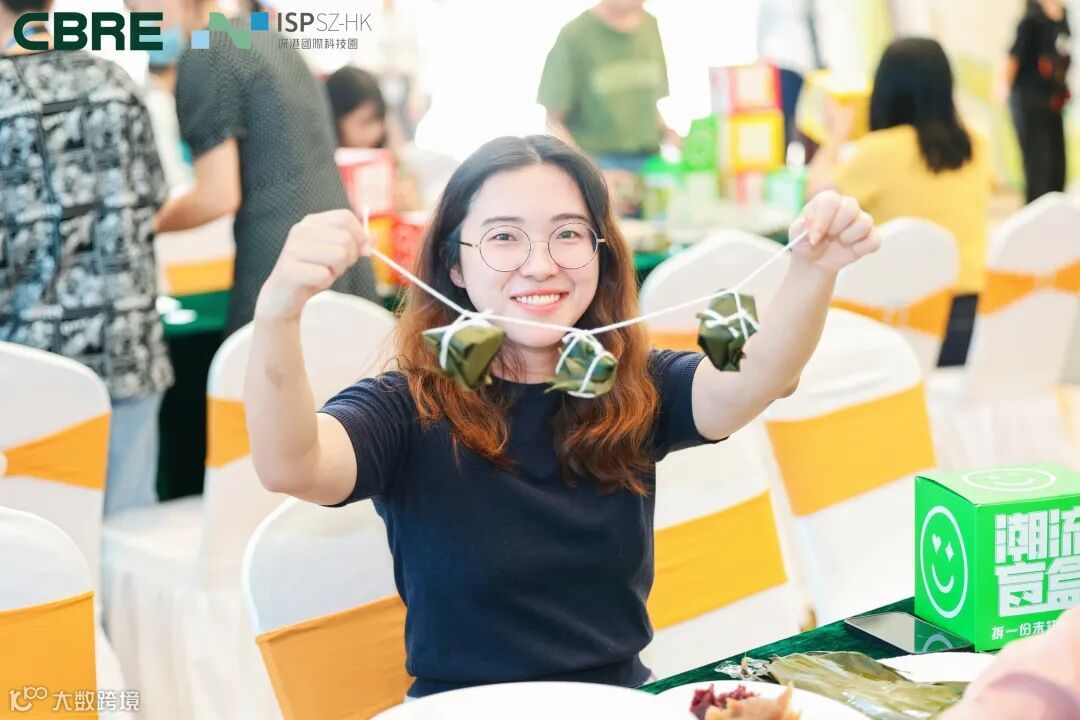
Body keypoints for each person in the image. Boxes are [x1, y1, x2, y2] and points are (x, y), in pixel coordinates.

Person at [243, 134, 881, 698]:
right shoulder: (410, 406)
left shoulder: (633, 388)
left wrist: (813, 268)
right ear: (454, 263)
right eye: (504, 237)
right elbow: (291, 464)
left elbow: (757, 377)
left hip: (618, 703)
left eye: (568, 234)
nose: (541, 264)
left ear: (601, 254)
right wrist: (278, 312)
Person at [0, 0, 173, 515]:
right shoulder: (114, 80)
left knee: (41, 540)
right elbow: (155, 194)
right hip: (128, 347)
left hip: (34, 362)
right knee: (130, 531)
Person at [125, 0, 381, 336]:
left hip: (281, 262)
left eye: (136, 10)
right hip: (341, 254)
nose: (138, 23)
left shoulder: (204, 51)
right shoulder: (269, 36)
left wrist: (138, 222)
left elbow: (217, 195)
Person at [808, 37, 991, 367]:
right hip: (972, 320)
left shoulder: (880, 150)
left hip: (900, 320)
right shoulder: (977, 144)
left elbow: (817, 198)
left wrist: (837, 132)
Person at [537, 0, 679, 176]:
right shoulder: (574, 35)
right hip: (599, 163)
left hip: (650, 162)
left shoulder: (650, 26)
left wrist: (671, 136)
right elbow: (553, 122)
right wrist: (589, 172)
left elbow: (646, 104)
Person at [326, 64, 457, 212]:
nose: (375, 132)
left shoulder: (391, 162)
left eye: (379, 119)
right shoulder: (324, 171)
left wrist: (407, 201)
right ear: (336, 121)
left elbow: (415, 207)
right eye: (364, 122)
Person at [1006, 0, 1071, 203]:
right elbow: (1014, 59)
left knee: (1057, 166)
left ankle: (1057, 212)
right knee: (1038, 166)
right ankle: (1036, 214)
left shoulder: (1063, 17)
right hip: (1030, 101)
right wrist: (1004, 90)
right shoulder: (1031, 21)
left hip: (1053, 103)